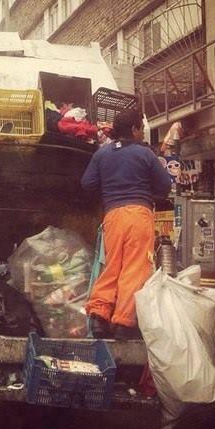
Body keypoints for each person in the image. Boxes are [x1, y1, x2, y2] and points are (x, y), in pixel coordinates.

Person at [81, 109, 172, 340]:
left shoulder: (102, 154)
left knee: (112, 266)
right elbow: (164, 186)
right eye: (141, 127)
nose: (142, 132)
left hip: (112, 216)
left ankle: (99, 317)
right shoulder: (145, 153)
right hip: (138, 216)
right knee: (134, 268)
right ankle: (123, 322)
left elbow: (87, 183)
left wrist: (109, 187)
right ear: (133, 129)